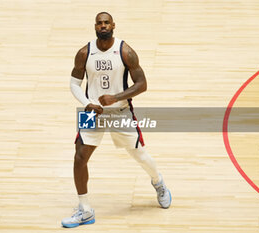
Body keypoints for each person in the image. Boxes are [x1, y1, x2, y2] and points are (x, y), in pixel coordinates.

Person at [62, 12, 171, 228]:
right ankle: (84, 210)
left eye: (106, 23)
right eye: (99, 23)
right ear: (95, 26)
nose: (103, 26)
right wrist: (87, 102)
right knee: (79, 156)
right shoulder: (85, 53)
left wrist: (116, 97)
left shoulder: (125, 52)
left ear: (113, 25)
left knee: (139, 154)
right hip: (93, 111)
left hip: (120, 110)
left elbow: (142, 84)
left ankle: (158, 182)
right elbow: (74, 83)